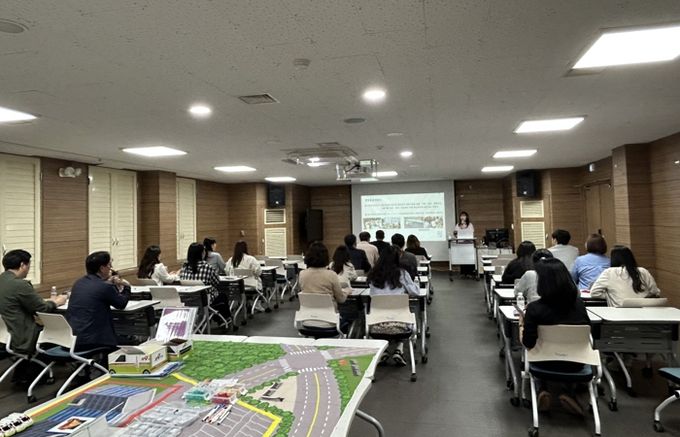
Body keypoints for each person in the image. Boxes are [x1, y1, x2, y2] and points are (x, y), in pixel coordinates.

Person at [521, 258, 591, 416]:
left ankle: (542, 390)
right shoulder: (579, 305)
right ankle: (569, 393)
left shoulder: (534, 309)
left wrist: (521, 327)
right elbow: (587, 334)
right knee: (565, 358)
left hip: (544, 362)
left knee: (537, 356)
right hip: (576, 362)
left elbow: (528, 343)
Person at [0, 249, 66, 384]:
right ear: (22, 265)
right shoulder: (20, 285)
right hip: (21, 335)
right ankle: (31, 374)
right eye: (29, 265)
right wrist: (57, 302)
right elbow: (42, 308)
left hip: (4, 334)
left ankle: (24, 372)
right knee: (56, 333)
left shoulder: (3, 280)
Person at [367, 245, 420, 366]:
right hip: (400, 325)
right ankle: (399, 350)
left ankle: (384, 351)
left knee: (386, 314)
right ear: (397, 258)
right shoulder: (402, 274)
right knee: (402, 314)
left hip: (376, 325)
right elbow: (415, 292)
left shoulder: (373, 274)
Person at [67, 251, 130, 352]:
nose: (111, 268)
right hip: (94, 340)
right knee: (130, 341)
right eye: (109, 265)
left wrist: (108, 283)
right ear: (102, 268)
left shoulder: (78, 283)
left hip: (72, 339)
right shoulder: (104, 287)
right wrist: (127, 287)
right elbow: (121, 304)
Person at [590, 245, 660, 307]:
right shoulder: (643, 271)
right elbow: (655, 292)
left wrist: (611, 295)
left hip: (619, 314)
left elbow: (594, 292)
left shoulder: (609, 272)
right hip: (645, 312)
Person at [180, 242, 231, 321]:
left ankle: (221, 320)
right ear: (202, 253)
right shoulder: (207, 267)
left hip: (187, 300)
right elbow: (216, 282)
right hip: (204, 300)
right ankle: (225, 320)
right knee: (222, 296)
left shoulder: (184, 268)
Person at [299, 242, 349, 307]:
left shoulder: (302, 274)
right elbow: (341, 299)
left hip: (308, 311)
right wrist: (346, 292)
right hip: (329, 311)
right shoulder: (331, 275)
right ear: (326, 257)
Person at [454, 212, 475, 276]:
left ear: (466, 217)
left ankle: (470, 272)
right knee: (462, 258)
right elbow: (455, 233)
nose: (462, 217)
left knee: (469, 258)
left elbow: (472, 233)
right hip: (461, 244)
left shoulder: (470, 225)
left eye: (464, 216)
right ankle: (463, 273)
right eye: (461, 216)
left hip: (468, 244)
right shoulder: (458, 225)